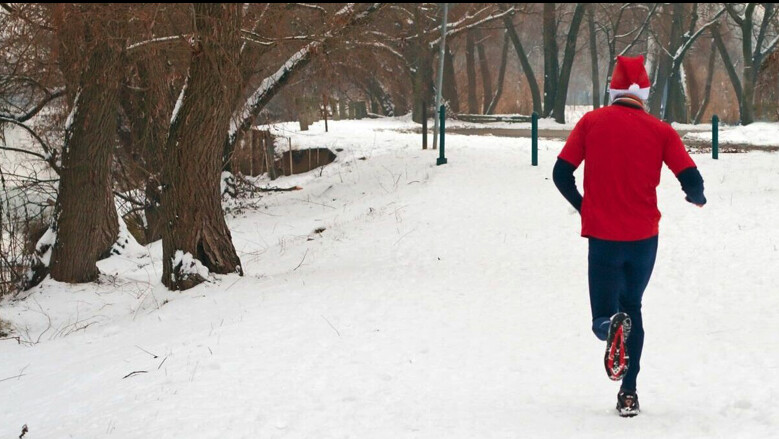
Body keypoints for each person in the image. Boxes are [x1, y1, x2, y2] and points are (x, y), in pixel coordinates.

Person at [552, 55, 706, 417]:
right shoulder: (660, 130)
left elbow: (561, 174)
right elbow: (692, 178)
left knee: (602, 314)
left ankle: (607, 325)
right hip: (643, 239)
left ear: (614, 91)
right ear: (644, 94)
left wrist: (584, 207)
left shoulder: (591, 123)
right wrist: (696, 197)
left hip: (603, 237)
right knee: (633, 307)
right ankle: (629, 393)